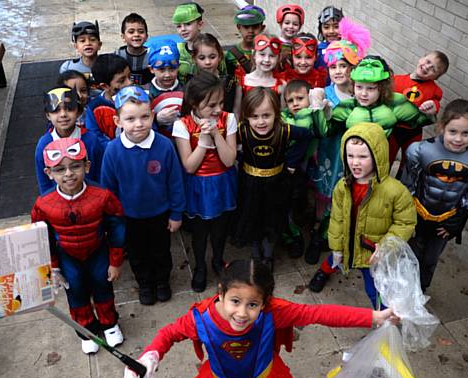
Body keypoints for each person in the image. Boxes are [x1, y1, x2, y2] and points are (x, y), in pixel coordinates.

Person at [123, 258, 399, 378]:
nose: (242, 313)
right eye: (235, 301)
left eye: (252, 304)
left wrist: (374, 316)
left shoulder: (273, 313)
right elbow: (169, 333)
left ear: (264, 301)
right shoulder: (202, 319)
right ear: (221, 293)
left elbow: (319, 313)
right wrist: (151, 355)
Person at [31, 138, 125, 354]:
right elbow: (41, 237)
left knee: (103, 286)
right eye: (59, 169)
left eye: (75, 166)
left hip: (97, 249)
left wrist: (115, 261)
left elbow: (117, 227)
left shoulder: (103, 196)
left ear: (87, 166)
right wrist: (52, 267)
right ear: (48, 172)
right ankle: (86, 330)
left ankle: (109, 323)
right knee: (75, 291)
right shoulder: (43, 204)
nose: (68, 174)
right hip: (67, 255)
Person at [308, 123, 417, 308]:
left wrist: (385, 247)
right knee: (336, 258)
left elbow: (405, 222)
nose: (355, 162)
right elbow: (336, 218)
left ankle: (383, 316)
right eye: (350, 155)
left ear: (378, 156)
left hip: (372, 251)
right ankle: (324, 271)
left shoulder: (395, 191)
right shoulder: (342, 186)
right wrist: (335, 246)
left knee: (373, 288)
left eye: (363, 156)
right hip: (346, 241)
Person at [101, 85, 186, 305]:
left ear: (153, 116)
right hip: (129, 217)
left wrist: (176, 214)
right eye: (130, 119)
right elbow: (108, 189)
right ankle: (145, 284)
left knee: (161, 251)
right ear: (118, 121)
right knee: (137, 255)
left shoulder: (164, 145)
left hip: (160, 213)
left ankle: (162, 281)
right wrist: (113, 220)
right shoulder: (112, 150)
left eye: (144, 117)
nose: (138, 124)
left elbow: (175, 181)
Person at [401, 99, 468, 292]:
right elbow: (408, 184)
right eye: (453, 131)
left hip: (446, 221)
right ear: (442, 126)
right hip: (418, 212)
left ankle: (421, 289)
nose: (458, 139)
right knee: (412, 252)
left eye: (465, 133)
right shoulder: (420, 151)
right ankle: (404, 287)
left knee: (431, 258)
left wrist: (458, 221)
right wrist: (404, 214)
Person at [306, 18, 371, 265]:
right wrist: (318, 106)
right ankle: (317, 231)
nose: (339, 71)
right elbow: (318, 129)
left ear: (353, 67)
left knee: (342, 197)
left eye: (344, 66)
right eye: (334, 67)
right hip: (328, 153)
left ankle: (330, 233)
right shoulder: (325, 93)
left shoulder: (361, 96)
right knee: (323, 194)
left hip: (350, 157)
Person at [172, 72, 238, 292]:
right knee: (200, 231)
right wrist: (203, 140)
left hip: (222, 182)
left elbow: (229, 160)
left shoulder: (228, 119)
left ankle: (218, 260)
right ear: (194, 103)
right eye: (211, 105)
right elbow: (189, 166)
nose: (217, 109)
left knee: (220, 228)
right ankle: (200, 266)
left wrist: (217, 135)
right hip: (198, 185)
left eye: (220, 102)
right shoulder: (182, 124)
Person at [234, 88, 311, 272]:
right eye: (255, 116)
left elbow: (306, 136)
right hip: (250, 183)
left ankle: (268, 255)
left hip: (276, 183)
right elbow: (227, 144)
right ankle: (255, 253)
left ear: (276, 113)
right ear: (246, 116)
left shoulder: (283, 130)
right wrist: (237, 157)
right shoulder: (242, 131)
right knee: (252, 216)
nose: (261, 121)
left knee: (272, 218)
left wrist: (291, 162)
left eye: (266, 115)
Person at [280, 79, 328, 258]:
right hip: (291, 168)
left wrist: (316, 109)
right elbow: (298, 130)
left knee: (310, 198)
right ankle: (292, 234)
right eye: (290, 101)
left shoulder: (315, 113)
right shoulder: (286, 117)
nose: (295, 104)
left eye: (300, 98)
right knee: (289, 200)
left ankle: (311, 228)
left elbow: (321, 130)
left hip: (311, 165)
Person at [332, 55, 434, 136]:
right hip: (353, 158)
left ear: (382, 88)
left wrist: (429, 114)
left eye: (371, 88)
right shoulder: (347, 106)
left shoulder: (395, 102)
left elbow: (418, 121)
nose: (363, 93)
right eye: (359, 87)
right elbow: (325, 131)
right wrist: (321, 111)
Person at [35, 87, 104, 194]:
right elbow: (44, 182)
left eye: (69, 108)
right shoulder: (44, 145)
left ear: (79, 111)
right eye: (56, 110)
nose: (63, 114)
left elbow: (100, 174)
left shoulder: (91, 140)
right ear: (48, 115)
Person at [390, 51, 449, 175]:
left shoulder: (434, 90)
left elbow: (435, 104)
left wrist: (433, 106)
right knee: (386, 158)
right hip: (393, 129)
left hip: (413, 131)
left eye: (433, 69)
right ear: (421, 58)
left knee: (409, 162)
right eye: (427, 62)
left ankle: (402, 184)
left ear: (436, 77)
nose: (427, 67)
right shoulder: (397, 80)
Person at [191, 34, 242, 116]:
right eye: (202, 58)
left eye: (212, 57)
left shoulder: (229, 83)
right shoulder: (192, 84)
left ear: (220, 56)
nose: (207, 62)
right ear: (194, 59)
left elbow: (236, 110)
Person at [86, 54, 133, 141]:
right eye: (122, 80)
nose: (129, 83)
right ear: (104, 86)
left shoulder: (138, 98)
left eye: (130, 76)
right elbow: (95, 137)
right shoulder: (94, 108)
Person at [146, 41, 184, 138]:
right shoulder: (145, 92)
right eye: (161, 69)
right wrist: (156, 119)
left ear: (178, 67)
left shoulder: (187, 89)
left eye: (172, 69)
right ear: (151, 69)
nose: (167, 75)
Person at [224, 5, 266, 76]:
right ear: (239, 27)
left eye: (255, 26)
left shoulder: (268, 51)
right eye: (246, 27)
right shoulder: (230, 55)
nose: (250, 31)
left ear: (262, 28)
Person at [115, 13, 154, 86]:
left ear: (146, 37)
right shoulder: (118, 55)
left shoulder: (152, 55)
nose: (136, 34)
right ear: (123, 37)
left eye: (141, 31)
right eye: (131, 32)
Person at [59, 21, 102, 86]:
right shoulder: (68, 68)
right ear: (76, 46)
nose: (88, 43)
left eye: (92, 39)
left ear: (99, 45)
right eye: (82, 41)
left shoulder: (110, 64)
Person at [275, 4, 304, 70]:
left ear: (300, 27)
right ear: (280, 23)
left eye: (295, 24)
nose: (291, 26)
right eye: (287, 23)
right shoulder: (274, 44)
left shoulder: (301, 45)